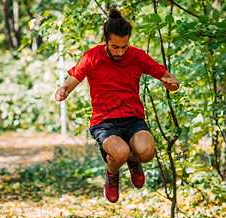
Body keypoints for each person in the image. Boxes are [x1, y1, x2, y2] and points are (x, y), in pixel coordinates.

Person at [55, 8, 179, 203]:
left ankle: (133, 160)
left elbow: (169, 77)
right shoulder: (92, 56)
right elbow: (73, 80)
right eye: (115, 47)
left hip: (133, 118)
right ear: (105, 40)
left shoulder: (138, 56)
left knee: (147, 152)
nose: (120, 52)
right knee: (120, 152)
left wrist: (172, 84)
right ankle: (112, 173)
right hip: (104, 122)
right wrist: (63, 91)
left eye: (124, 47)